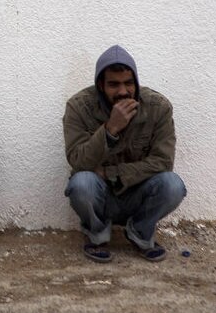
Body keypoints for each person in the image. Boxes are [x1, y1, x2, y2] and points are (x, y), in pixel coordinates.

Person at [63, 44, 186, 263]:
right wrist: (110, 129)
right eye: (114, 84)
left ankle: (139, 234)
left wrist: (112, 173)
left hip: (138, 194)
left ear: (136, 82)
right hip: (100, 197)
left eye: (128, 83)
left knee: (173, 185)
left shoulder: (158, 107)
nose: (123, 91)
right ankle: (97, 237)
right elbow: (78, 161)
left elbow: (163, 162)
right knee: (81, 184)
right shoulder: (78, 107)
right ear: (101, 85)